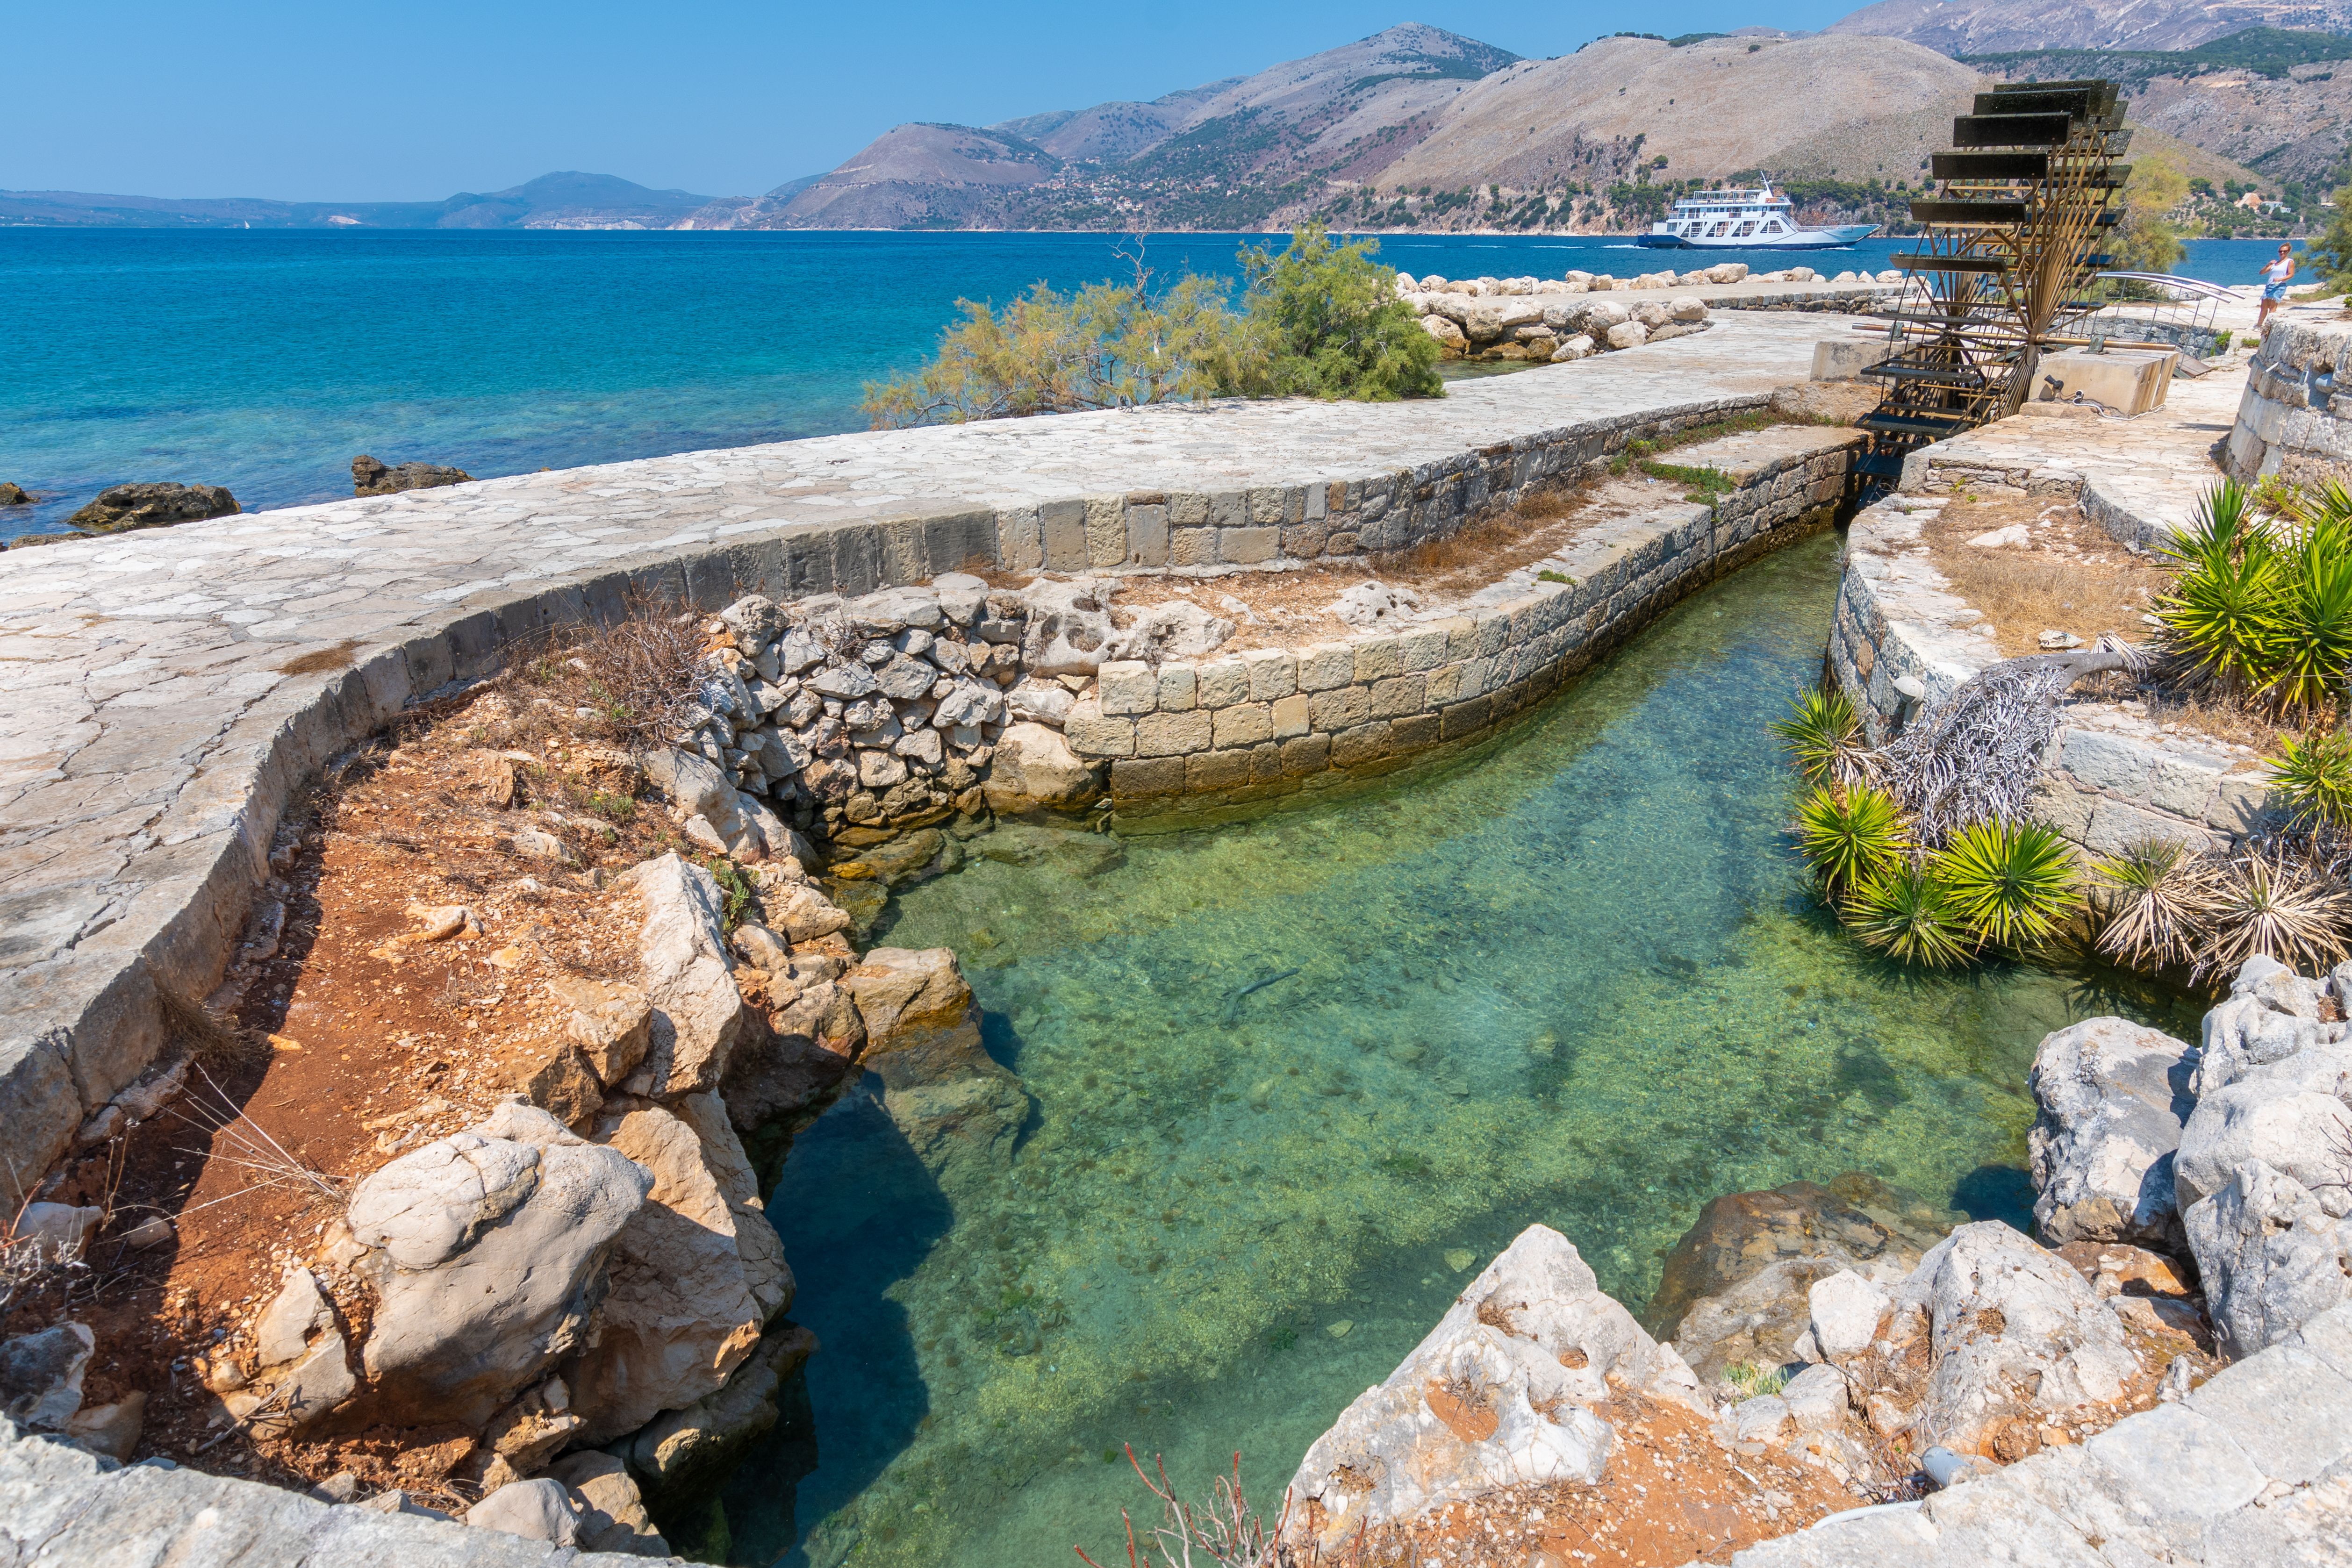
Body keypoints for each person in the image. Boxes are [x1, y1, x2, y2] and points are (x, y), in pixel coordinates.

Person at [2259, 243, 2297, 330]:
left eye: (2285, 251)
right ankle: (2259, 325)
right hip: (2270, 286)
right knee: (2264, 307)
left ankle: (2269, 326)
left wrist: (2281, 279)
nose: (2282, 253)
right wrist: (2268, 265)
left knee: (2273, 307)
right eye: (2281, 251)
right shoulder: (2275, 263)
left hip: (2279, 286)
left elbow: (2291, 274)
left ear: (2288, 252)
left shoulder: (2289, 262)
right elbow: (2262, 273)